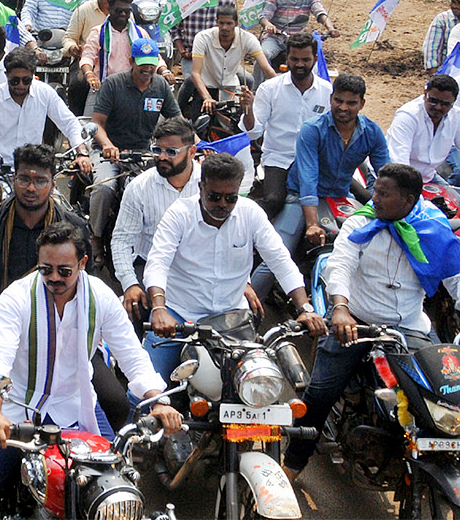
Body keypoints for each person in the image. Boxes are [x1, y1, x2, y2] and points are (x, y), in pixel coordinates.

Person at [0, 222, 181, 520]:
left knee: (112, 486)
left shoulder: (101, 296)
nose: (54, 278)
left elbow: (131, 353)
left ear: (83, 263)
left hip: (77, 403)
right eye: (46, 269)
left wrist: (158, 401)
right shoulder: (16, 297)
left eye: (65, 270)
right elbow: (0, 358)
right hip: (20, 407)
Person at [0, 146, 99, 505]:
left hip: (64, 329)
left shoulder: (73, 228)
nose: (31, 187)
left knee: (114, 399)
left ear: (52, 182)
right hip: (0, 326)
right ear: (13, 179)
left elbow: (91, 282)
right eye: (24, 178)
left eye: (40, 180)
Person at [283, 163, 460, 481]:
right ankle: (293, 464)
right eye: (375, 189)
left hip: (409, 327)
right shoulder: (360, 222)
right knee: (321, 393)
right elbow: (340, 264)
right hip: (356, 322)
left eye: (382, 193)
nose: (373, 197)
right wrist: (340, 308)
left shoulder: (433, 227)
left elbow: (456, 278)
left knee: (445, 395)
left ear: (408, 200)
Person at [145, 153, 327, 381]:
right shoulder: (179, 215)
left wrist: (305, 309)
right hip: (179, 316)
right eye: (214, 196)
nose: (223, 204)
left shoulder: (251, 213)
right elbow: (158, 263)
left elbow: (280, 260)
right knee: (145, 391)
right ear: (201, 187)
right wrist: (159, 309)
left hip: (232, 320)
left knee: (259, 388)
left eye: (230, 198)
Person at [250, 73, 390, 302]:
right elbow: (308, 177)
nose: (343, 107)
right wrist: (312, 224)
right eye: (338, 101)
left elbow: (385, 173)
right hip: (300, 197)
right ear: (331, 98)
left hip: (340, 197)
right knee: (278, 258)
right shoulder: (312, 129)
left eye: (351, 103)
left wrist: (381, 201)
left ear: (362, 103)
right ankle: (244, 310)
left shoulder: (372, 132)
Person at [0, 47, 92, 222]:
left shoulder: (45, 93)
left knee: (67, 222)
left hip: (34, 174)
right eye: (15, 81)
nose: (21, 86)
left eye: (26, 80)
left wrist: (81, 153)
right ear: (6, 75)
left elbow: (70, 124)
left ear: (33, 75)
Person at [88, 38, 182, 266]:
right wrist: (109, 145)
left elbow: (178, 121)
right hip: (108, 151)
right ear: (131, 61)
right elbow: (97, 123)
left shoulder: (160, 86)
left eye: (151, 64)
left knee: (161, 189)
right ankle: (96, 238)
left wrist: (197, 144)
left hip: (144, 152)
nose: (147, 69)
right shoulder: (113, 84)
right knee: (104, 188)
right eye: (142, 64)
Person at [110, 117, 201, 320]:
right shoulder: (139, 187)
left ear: (192, 152)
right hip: (149, 263)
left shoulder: (208, 184)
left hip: (198, 269)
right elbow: (122, 241)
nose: (162, 157)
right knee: (132, 308)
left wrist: (243, 283)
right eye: (157, 150)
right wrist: (130, 284)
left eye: (171, 152)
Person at [242, 32, 333, 217]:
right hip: (279, 158)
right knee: (274, 201)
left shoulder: (328, 91)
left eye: (305, 59)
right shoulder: (269, 88)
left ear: (315, 60)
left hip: (315, 160)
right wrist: (248, 110)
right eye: (294, 59)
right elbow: (253, 132)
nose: (300, 64)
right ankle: (247, 227)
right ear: (287, 58)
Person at [80, 0, 173, 113]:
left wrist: (165, 71)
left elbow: (154, 56)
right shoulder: (98, 33)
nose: (123, 14)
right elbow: (87, 57)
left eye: (127, 11)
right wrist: (89, 75)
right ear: (109, 9)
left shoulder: (140, 33)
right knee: (91, 125)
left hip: (133, 88)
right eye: (119, 11)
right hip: (103, 87)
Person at [256, 0, 339, 88]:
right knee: (263, 55)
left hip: (298, 40)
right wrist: (268, 25)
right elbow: (264, 17)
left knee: (313, 60)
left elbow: (320, 12)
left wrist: (330, 28)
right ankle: (255, 89)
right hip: (275, 38)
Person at [190, 3, 274, 115]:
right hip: (206, 86)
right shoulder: (203, 37)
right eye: (221, 23)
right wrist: (207, 98)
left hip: (230, 88)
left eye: (229, 23)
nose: (225, 27)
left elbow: (267, 69)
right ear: (216, 22)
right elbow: (196, 73)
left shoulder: (247, 38)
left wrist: (279, 89)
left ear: (236, 23)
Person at [387, 74, 460, 186]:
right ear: (425, 94)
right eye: (433, 101)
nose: (438, 107)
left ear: (453, 102)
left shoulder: (456, 116)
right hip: (394, 178)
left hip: (428, 177)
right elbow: (399, 165)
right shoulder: (407, 116)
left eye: (445, 104)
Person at [423, 0, 460, 71]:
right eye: (453, 2)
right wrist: (435, 76)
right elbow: (431, 51)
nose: (455, 6)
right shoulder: (443, 20)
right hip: (447, 72)